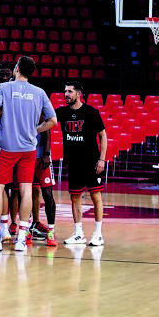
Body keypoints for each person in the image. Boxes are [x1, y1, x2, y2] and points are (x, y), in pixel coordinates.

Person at [0, 56, 56, 252]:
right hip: (28, 148)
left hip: (7, 147)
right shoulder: (39, 92)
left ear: (17, 69)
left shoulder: (4, 88)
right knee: (26, 189)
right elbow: (53, 120)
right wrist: (36, 130)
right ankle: (21, 239)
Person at [55, 81, 107, 246]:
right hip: (73, 163)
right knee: (75, 197)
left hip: (91, 162)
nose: (66, 94)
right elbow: (44, 118)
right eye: (65, 91)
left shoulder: (91, 112)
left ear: (78, 94)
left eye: (70, 92)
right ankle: (79, 234)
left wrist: (102, 159)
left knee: (96, 196)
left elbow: (103, 136)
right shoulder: (62, 112)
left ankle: (98, 234)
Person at [30, 127, 58, 247]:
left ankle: (51, 231)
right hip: (26, 155)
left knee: (47, 194)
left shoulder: (41, 114)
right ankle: (27, 230)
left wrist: (46, 153)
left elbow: (47, 130)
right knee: (25, 193)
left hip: (41, 156)